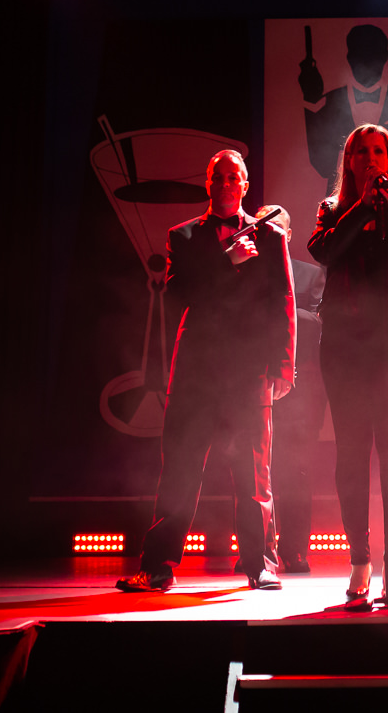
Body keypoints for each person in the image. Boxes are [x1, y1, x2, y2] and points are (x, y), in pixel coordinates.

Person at [118, 151, 295, 593]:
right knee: (179, 470)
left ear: (245, 184)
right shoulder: (184, 235)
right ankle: (158, 567)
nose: (225, 185)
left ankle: (261, 565)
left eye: (233, 178)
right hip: (196, 370)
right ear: (208, 184)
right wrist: (225, 260)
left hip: (250, 371)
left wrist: (284, 365)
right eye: (218, 178)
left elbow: (283, 301)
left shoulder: (271, 236)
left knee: (253, 474)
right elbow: (175, 296)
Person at [308, 123, 388, 611]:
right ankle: (360, 562)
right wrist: (362, 207)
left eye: (379, 151)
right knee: (351, 450)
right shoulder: (332, 208)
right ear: (349, 161)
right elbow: (322, 251)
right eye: (360, 151)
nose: (370, 159)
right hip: (346, 341)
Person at [300, 24, 388, 188]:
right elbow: (322, 165)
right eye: (359, 53)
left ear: (385, 56)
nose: (366, 62)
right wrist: (310, 99)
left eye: (373, 54)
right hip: (344, 198)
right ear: (349, 57)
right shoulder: (326, 104)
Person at [271, 243, 328, 571]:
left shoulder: (310, 273)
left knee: (296, 468)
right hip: (252, 380)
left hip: (302, 384)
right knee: (251, 468)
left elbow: (320, 319)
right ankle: (256, 548)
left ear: (288, 234)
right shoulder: (241, 268)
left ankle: (294, 549)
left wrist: (279, 305)